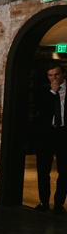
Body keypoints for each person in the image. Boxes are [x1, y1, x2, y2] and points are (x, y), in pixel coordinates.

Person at [34, 63, 67, 213]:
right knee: (43, 170)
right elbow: (41, 110)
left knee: (64, 171)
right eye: (50, 75)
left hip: (64, 133)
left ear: (63, 74)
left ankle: (59, 203)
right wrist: (52, 93)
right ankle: (44, 202)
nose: (54, 78)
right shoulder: (43, 90)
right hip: (46, 134)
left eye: (57, 75)